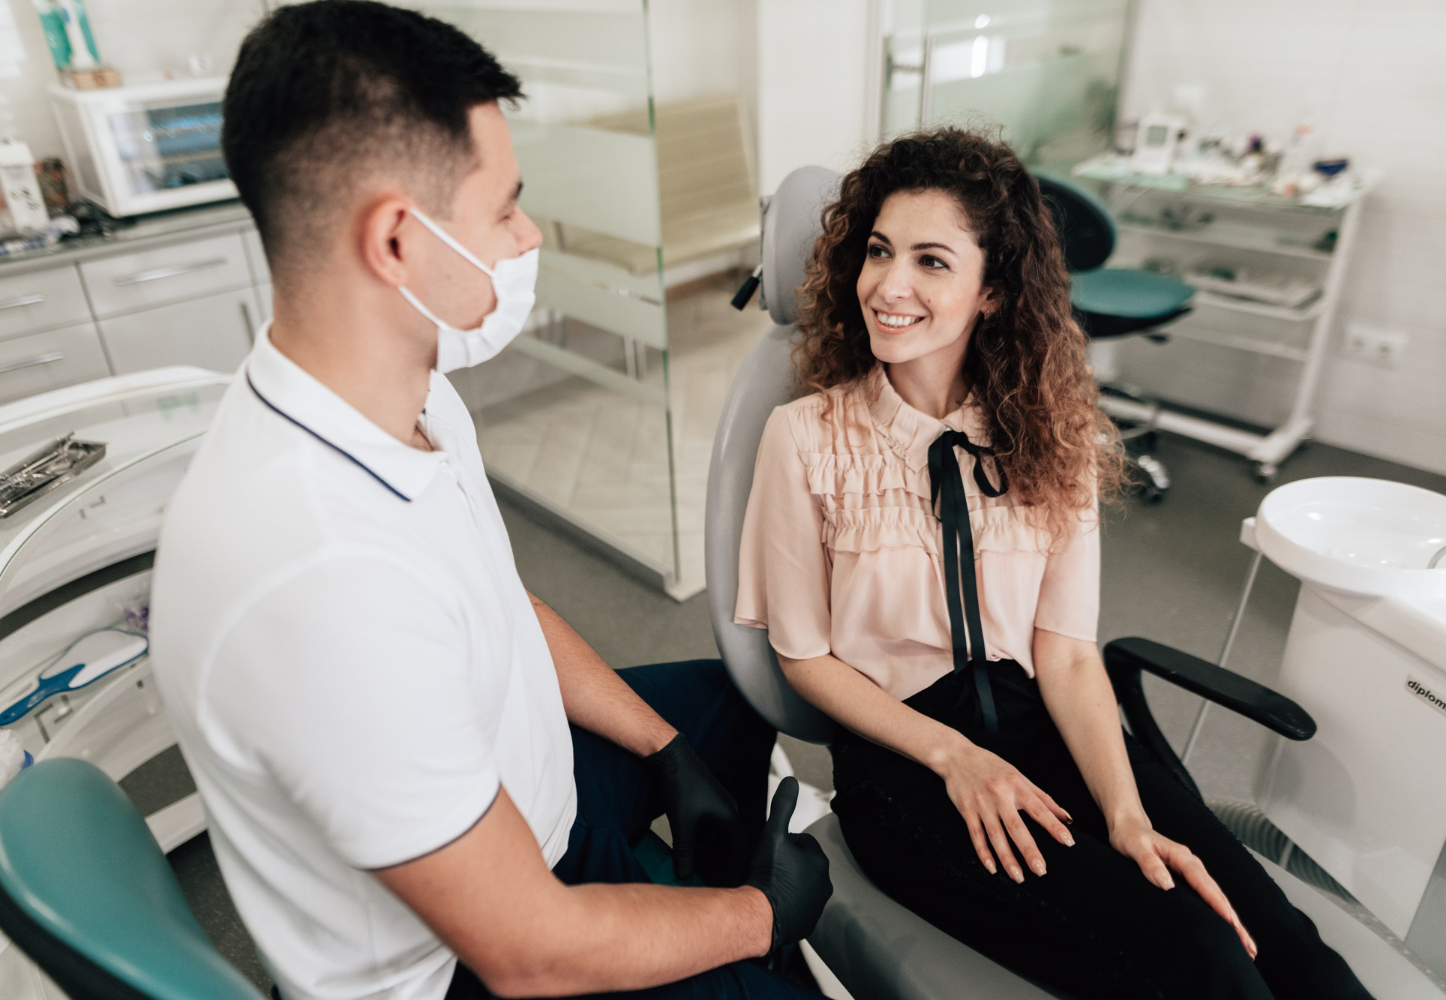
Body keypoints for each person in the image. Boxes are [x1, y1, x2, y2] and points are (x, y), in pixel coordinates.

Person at [149, 4, 831, 1000]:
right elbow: (530, 952)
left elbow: (504, 611)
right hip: (466, 961)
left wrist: (665, 747)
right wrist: (761, 914)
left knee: (725, 702)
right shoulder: (318, 576)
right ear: (396, 240)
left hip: (531, 800)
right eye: (506, 207)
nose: (529, 233)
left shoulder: (411, 392)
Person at [733, 128, 1372, 1000]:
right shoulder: (803, 438)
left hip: (1044, 722)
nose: (888, 284)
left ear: (993, 291)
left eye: (930, 261)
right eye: (879, 251)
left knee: (1283, 946)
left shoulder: (1053, 432)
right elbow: (804, 658)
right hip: (906, 763)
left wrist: (1127, 814)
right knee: (1205, 964)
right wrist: (955, 756)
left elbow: (1067, 654)